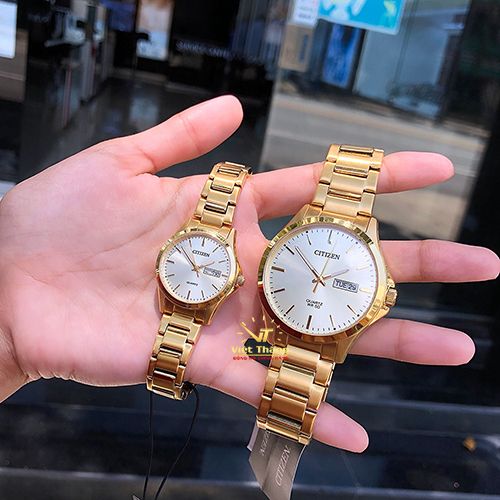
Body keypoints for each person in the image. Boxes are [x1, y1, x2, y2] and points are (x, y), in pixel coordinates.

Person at [0, 96, 498, 453]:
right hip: (271, 309)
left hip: (302, 324)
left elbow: (258, 335)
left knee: (266, 359)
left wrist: (12, 339)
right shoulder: (274, 260)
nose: (320, 278)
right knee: (260, 354)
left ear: (380, 297)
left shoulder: (328, 274)